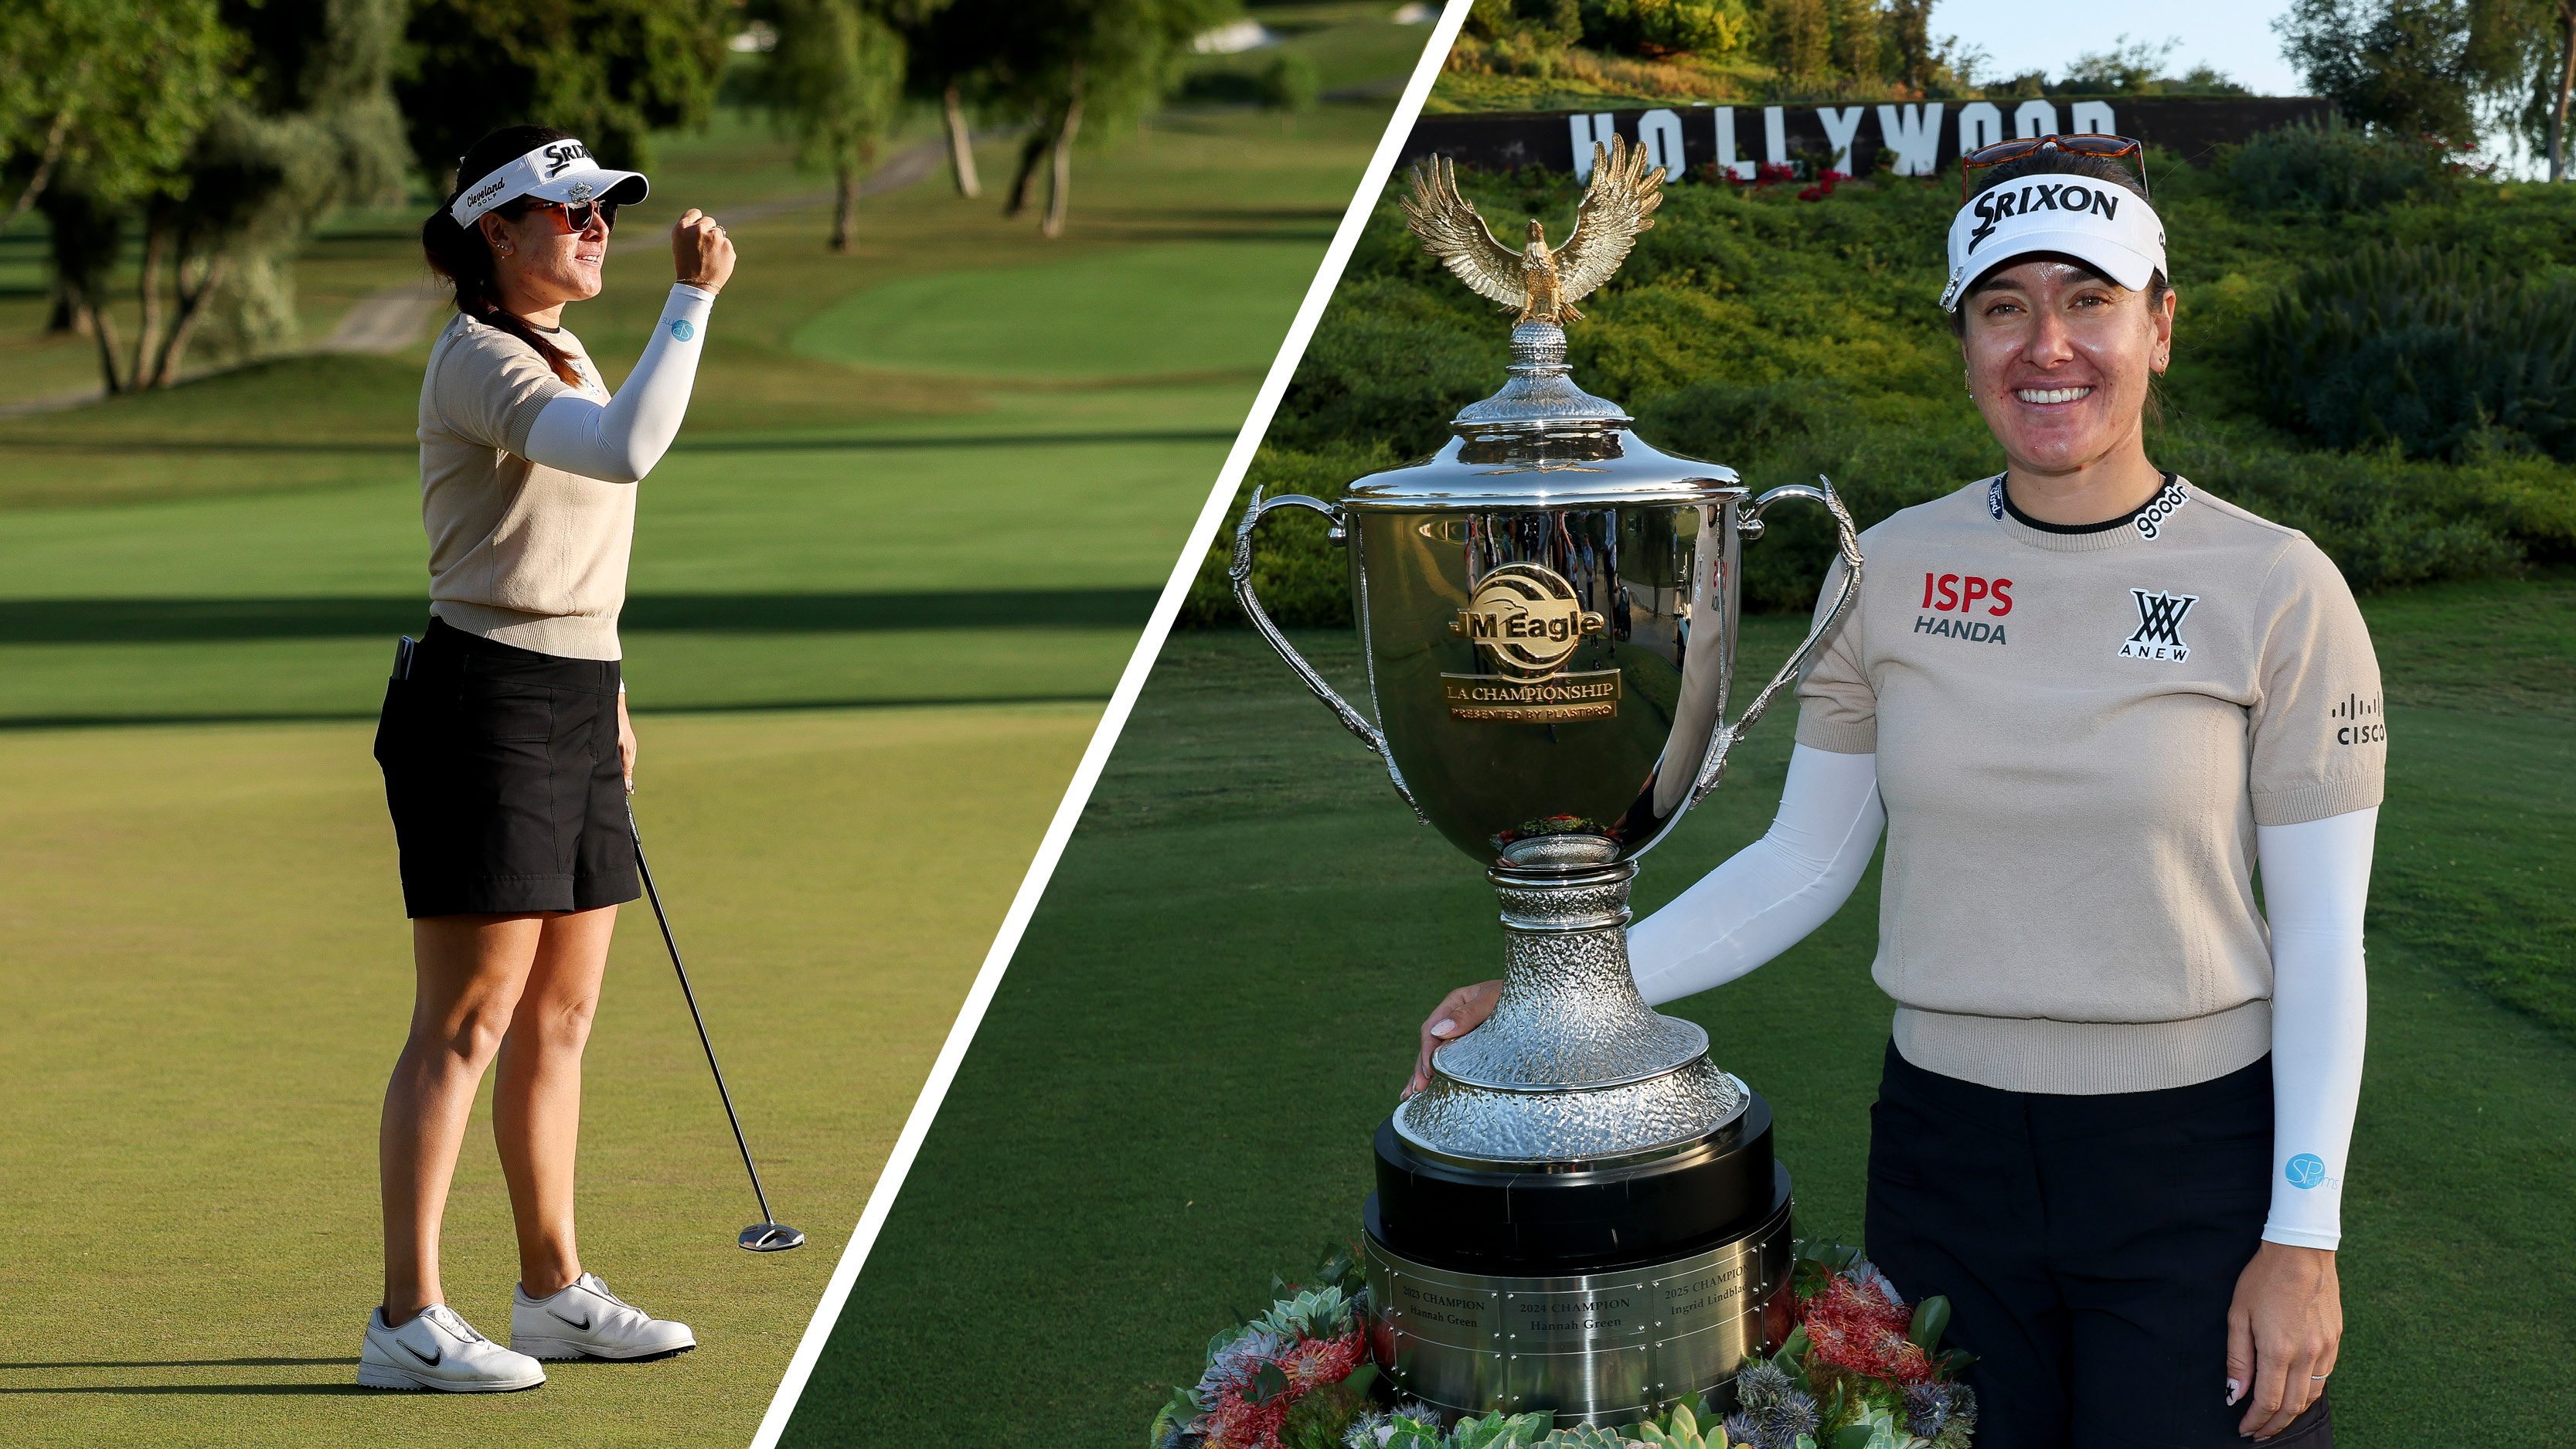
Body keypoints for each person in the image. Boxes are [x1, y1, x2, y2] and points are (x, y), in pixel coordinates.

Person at [1406, 137, 2378, 1446]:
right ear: (1963, 340)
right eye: (2002, 307)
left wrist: (2301, 1235)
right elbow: (1804, 861)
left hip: (2190, 1164)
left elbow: (2320, 938)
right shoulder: (1889, 569)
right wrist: (1569, 998)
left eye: (2087, 299)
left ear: (2159, 326)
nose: (2047, 345)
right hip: (1946, 1157)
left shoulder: (2278, 584)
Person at [359, 125, 737, 1393]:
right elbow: (626, 450)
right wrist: (690, 302)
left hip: (573, 695)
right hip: (485, 701)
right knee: (467, 1021)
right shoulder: (477, 359)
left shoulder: (559, 348)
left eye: (600, 212)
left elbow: (583, 540)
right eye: (565, 211)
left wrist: (612, 688)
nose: (594, 229)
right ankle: (407, 1319)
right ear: (493, 234)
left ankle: (551, 1292)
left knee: (562, 1018)